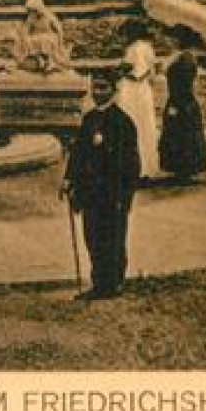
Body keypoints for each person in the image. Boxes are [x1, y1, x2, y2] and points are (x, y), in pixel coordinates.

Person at [61, 68, 141, 300]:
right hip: (90, 193)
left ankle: (113, 282)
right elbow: (78, 154)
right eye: (94, 87)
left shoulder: (122, 122)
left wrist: (124, 196)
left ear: (114, 90)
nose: (97, 92)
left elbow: (131, 165)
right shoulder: (89, 119)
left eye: (103, 87)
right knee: (92, 237)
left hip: (112, 194)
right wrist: (68, 179)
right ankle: (99, 283)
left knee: (113, 237)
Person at [157, 26, 206, 183]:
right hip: (180, 100)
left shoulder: (185, 59)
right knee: (180, 135)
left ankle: (184, 171)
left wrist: (176, 104)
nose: (168, 41)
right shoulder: (181, 56)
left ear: (178, 41)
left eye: (171, 38)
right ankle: (181, 170)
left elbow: (183, 84)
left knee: (181, 135)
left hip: (182, 101)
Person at [115, 21, 163, 182]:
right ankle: (142, 167)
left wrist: (121, 72)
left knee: (136, 126)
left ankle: (139, 169)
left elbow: (139, 73)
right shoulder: (146, 47)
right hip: (141, 90)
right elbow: (153, 71)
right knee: (143, 127)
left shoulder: (137, 48)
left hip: (135, 92)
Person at [13, 0, 71, 72]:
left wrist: (60, 43)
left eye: (33, 10)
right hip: (35, 36)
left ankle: (50, 62)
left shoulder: (49, 16)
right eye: (30, 11)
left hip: (49, 36)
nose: (32, 13)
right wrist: (24, 38)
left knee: (47, 40)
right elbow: (25, 30)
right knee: (28, 41)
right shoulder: (31, 18)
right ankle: (37, 60)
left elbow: (58, 29)